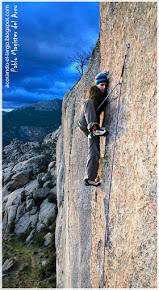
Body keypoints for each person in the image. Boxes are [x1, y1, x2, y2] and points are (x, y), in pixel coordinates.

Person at [78, 71, 109, 186]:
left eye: (106, 85)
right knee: (88, 102)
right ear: (96, 85)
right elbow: (89, 103)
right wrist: (101, 75)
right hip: (84, 122)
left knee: (94, 150)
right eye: (102, 85)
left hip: (90, 127)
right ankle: (95, 129)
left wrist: (105, 74)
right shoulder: (93, 93)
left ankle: (90, 178)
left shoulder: (102, 96)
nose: (104, 87)